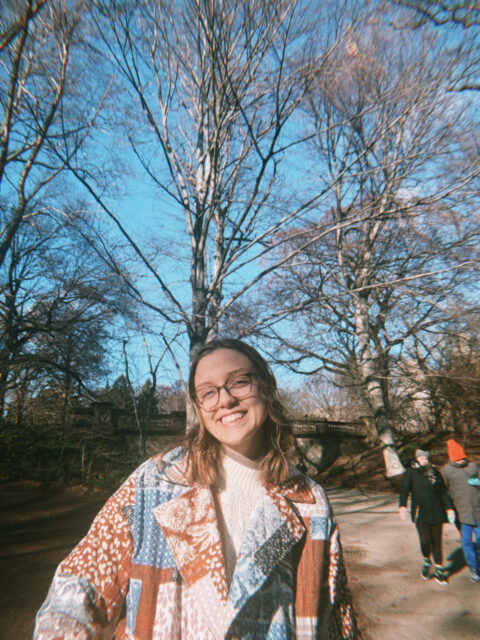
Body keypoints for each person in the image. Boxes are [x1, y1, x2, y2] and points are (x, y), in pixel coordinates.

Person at [34, 338, 358, 639]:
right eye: (208, 392)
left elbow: (337, 620)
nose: (225, 400)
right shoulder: (154, 483)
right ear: (199, 409)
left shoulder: (308, 501)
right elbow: (78, 590)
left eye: (239, 382)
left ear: (267, 387)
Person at [398, 448, 455, 585]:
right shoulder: (411, 472)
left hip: (437, 511)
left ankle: (439, 570)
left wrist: (449, 508)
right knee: (426, 541)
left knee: (437, 541)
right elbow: (404, 489)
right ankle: (426, 560)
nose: (424, 460)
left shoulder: (435, 472)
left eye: (426, 458)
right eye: (421, 458)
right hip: (421, 513)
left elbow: (442, 492)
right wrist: (402, 506)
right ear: (417, 458)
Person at [441, 438, 480, 583]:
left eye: (462, 458)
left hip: (478, 510)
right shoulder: (446, 470)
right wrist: (448, 509)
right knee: (467, 542)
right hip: (461, 513)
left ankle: (477, 558)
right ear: (451, 457)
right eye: (457, 459)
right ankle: (473, 568)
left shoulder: (473, 467)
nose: (460, 461)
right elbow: (442, 491)